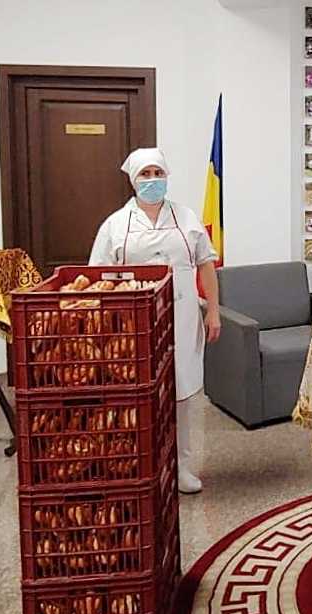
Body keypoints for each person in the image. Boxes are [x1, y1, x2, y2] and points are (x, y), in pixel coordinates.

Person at [89, 148, 220, 494]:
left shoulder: (186, 217)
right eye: (145, 174)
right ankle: (139, 466)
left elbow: (206, 264)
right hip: (132, 323)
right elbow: (97, 276)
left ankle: (181, 467)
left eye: (158, 173)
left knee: (181, 394)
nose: (152, 180)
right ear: (133, 180)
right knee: (138, 394)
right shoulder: (116, 225)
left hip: (182, 316)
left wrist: (214, 311)